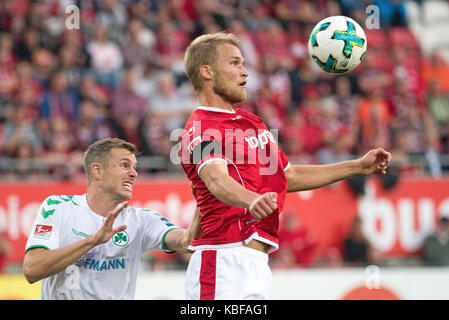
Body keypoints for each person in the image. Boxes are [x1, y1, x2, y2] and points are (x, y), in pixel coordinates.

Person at [179, 32, 392, 300]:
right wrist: (251, 199)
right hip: (222, 260)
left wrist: (357, 167)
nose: (245, 72)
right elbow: (215, 178)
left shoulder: (253, 123)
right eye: (235, 63)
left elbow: (288, 175)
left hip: (256, 264)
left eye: (244, 63)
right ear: (207, 72)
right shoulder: (200, 127)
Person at [23, 138, 201, 299]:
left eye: (134, 167)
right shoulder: (58, 207)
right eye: (125, 165)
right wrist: (92, 241)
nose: (134, 174)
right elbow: (32, 270)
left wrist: (204, 200)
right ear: (98, 171)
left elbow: (188, 241)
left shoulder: (142, 220)